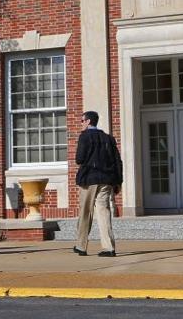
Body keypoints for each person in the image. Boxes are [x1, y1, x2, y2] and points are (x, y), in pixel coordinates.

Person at [73, 110, 122, 257]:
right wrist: (118, 182)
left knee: (85, 212)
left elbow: (79, 159)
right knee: (104, 212)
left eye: (82, 121)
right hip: (106, 180)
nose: (81, 124)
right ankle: (109, 248)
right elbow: (117, 161)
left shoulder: (84, 137)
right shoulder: (108, 138)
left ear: (88, 122)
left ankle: (81, 246)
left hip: (89, 180)